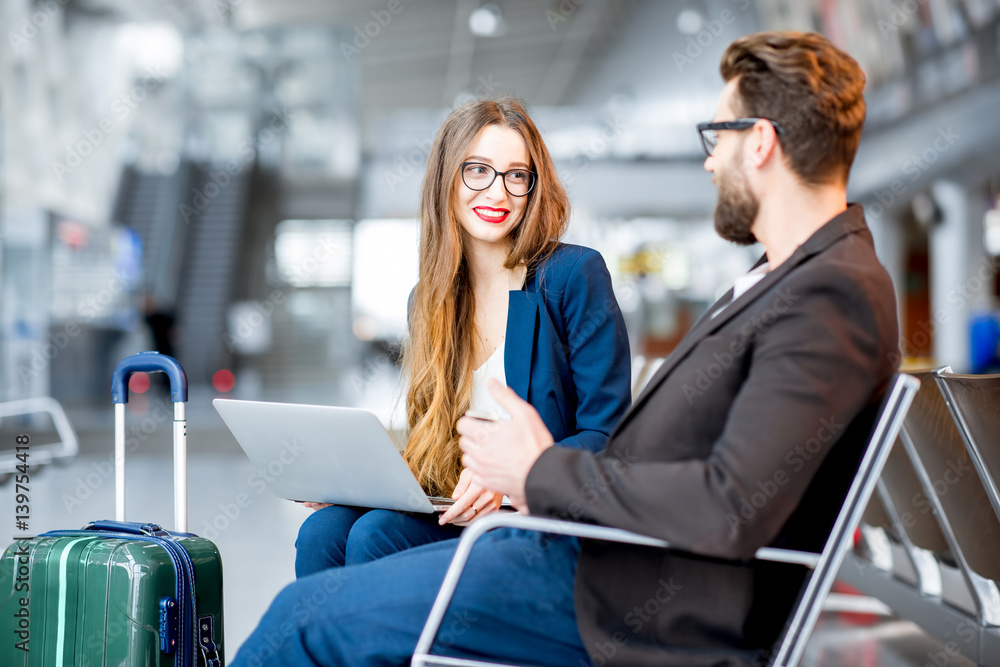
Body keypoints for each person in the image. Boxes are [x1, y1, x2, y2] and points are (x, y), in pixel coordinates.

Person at [232, 31, 899, 667]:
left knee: (300, 616)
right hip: (593, 558)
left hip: (620, 593)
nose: (707, 158)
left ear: (758, 143)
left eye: (714, 136)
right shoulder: (785, 277)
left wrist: (535, 471)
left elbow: (730, 506)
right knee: (341, 550)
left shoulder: (828, 293)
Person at [293, 97, 632, 578]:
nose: (498, 192)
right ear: (447, 179)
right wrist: (359, 482)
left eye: (517, 175)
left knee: (376, 534)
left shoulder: (572, 276)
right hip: (456, 512)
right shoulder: (427, 300)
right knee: (324, 530)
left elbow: (610, 438)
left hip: (535, 521)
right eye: (478, 170)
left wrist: (515, 475)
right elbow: (434, 446)